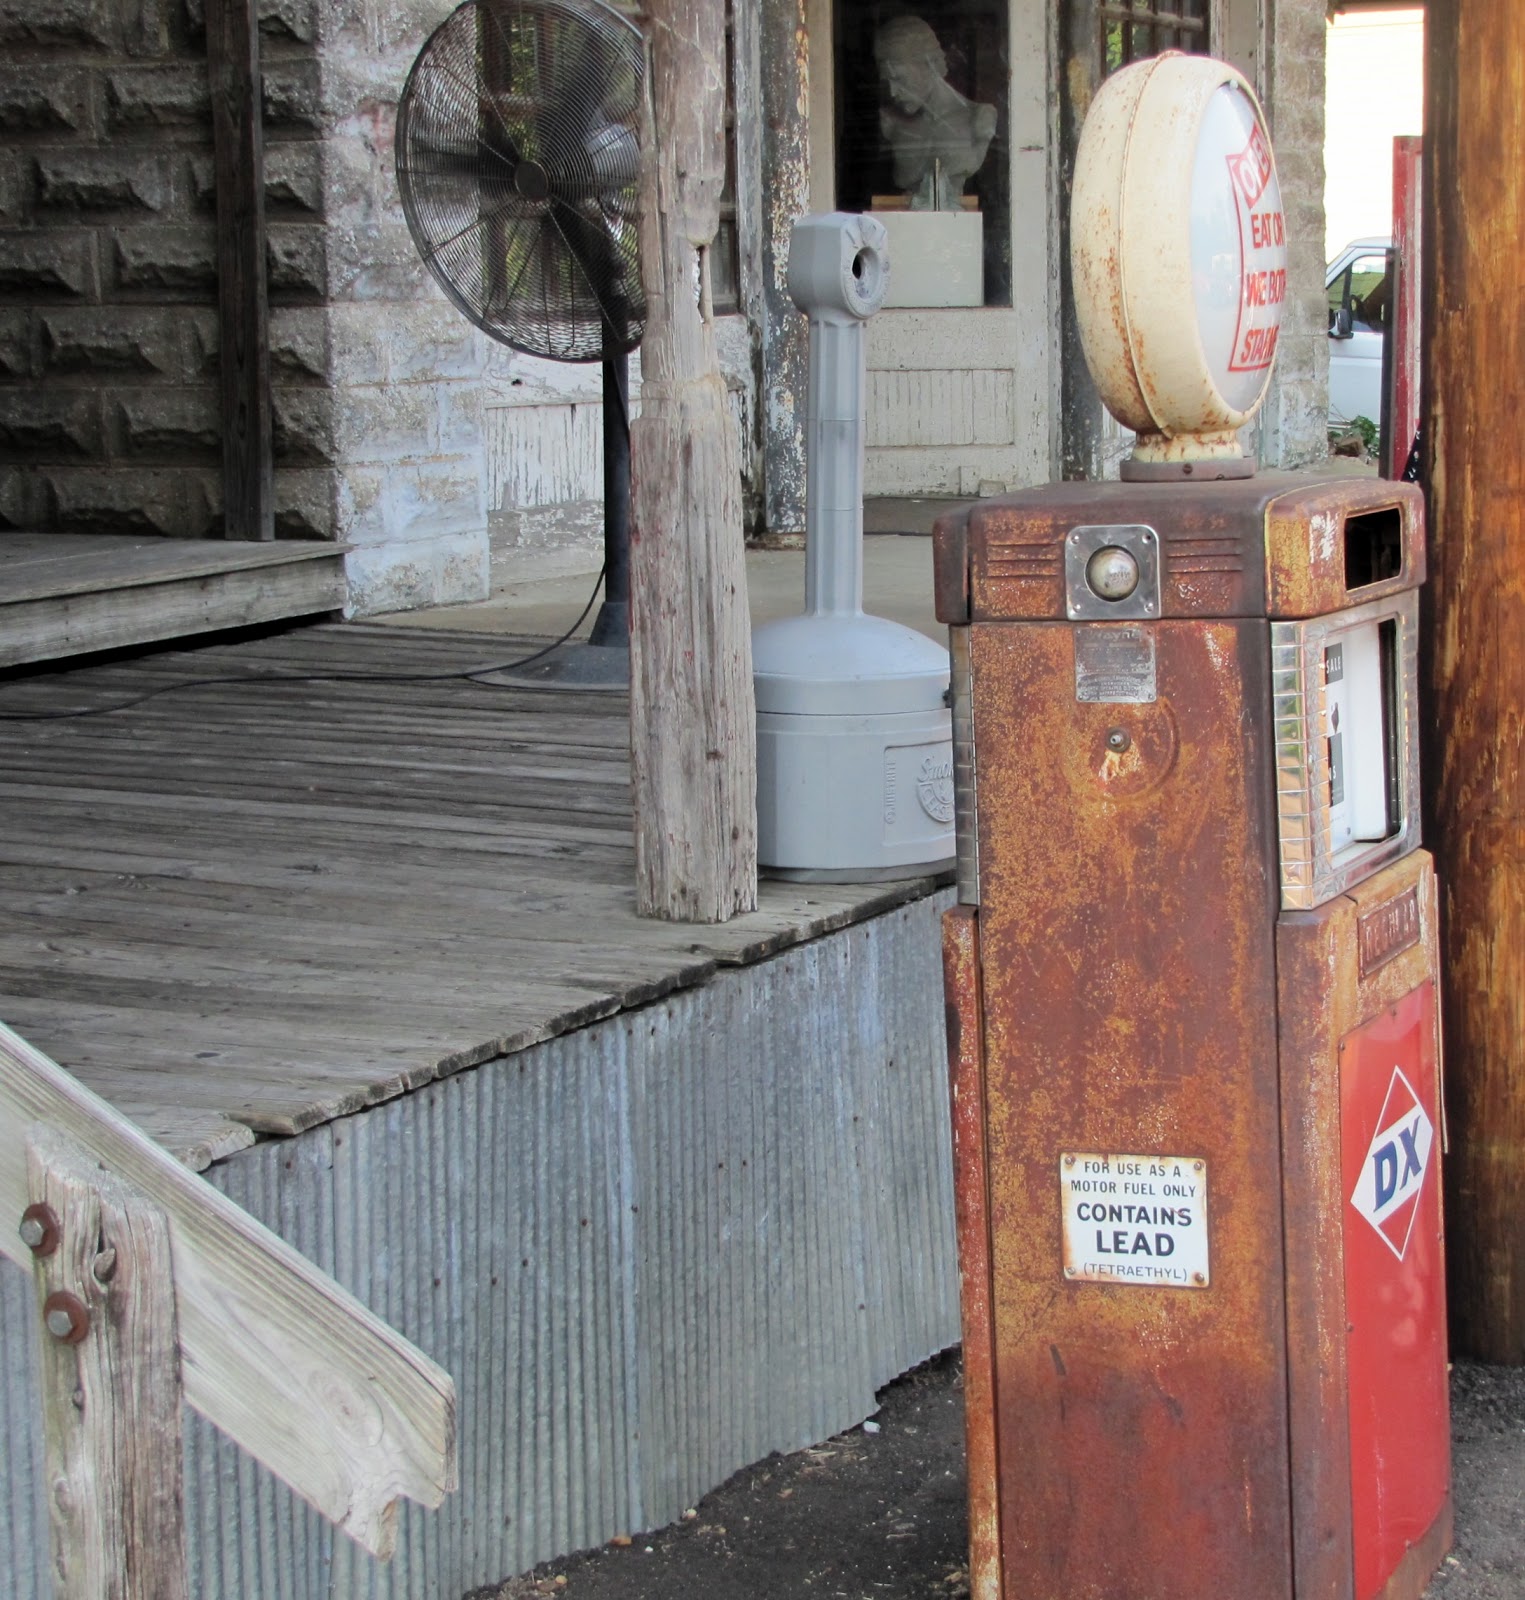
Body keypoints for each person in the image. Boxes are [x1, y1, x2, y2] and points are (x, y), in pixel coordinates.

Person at [875, 15, 997, 211]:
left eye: (900, 79)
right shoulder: (892, 124)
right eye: (887, 82)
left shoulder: (979, 118)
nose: (892, 92)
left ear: (928, 64)